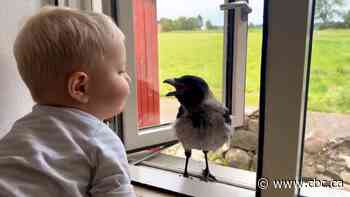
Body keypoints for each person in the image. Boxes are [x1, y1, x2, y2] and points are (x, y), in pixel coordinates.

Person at [0, 6, 136, 197]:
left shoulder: (19, 131)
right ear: (80, 87)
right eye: (120, 71)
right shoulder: (100, 139)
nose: (128, 78)